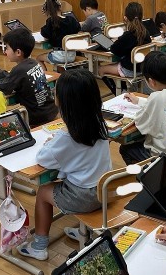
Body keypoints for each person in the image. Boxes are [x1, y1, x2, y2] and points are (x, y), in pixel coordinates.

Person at [18, 69, 112, 261]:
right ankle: (85, 232)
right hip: (105, 188)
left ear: (62, 100)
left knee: (43, 192)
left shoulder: (67, 136)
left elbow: (43, 158)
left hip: (85, 196)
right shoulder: (99, 122)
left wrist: (50, 143)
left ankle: (39, 246)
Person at [119, 51, 166, 164]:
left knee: (125, 149)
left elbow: (141, 123)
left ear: (151, 82)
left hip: (164, 156)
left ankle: (150, 172)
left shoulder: (156, 97)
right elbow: (162, 106)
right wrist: (138, 101)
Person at [0, 28, 58, 127]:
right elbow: (14, 78)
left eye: (7, 48)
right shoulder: (34, 63)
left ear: (18, 52)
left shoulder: (19, 70)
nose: (5, 51)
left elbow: (3, 89)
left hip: (36, 117)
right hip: (50, 110)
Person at [99, 2, 151, 95]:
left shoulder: (128, 35)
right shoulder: (146, 33)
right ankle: (124, 90)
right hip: (142, 68)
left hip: (130, 70)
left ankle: (119, 93)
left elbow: (115, 50)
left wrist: (117, 41)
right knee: (119, 64)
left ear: (125, 18)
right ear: (142, 17)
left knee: (101, 69)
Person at [37, 0, 81, 70]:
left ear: (47, 11)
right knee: (58, 60)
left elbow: (44, 34)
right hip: (72, 55)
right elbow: (78, 29)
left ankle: (45, 76)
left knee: (38, 58)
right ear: (60, 7)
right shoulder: (71, 20)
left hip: (59, 56)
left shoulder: (51, 22)